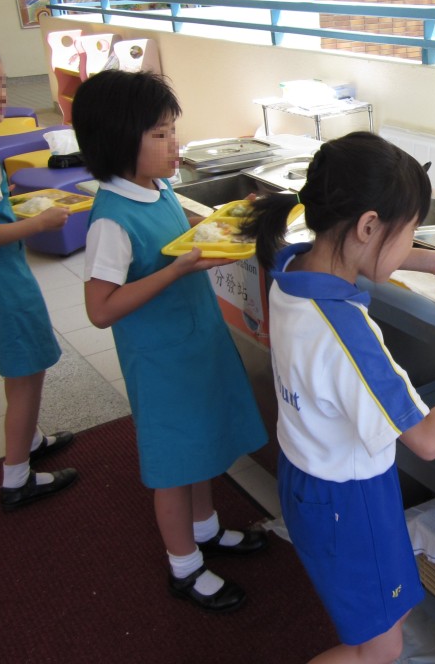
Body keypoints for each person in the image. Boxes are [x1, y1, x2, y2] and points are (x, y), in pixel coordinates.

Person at [240, 131, 435, 664]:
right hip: (350, 502)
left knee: (379, 626)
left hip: (306, 479)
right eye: (409, 231)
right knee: (382, 645)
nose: (412, 240)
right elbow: (430, 439)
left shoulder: (292, 267)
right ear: (369, 225)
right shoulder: (347, 335)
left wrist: (430, 260)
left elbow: (362, 254)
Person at [72, 70, 269, 614]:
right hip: (160, 362)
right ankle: (184, 567)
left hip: (195, 341)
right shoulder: (111, 221)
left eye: (171, 130)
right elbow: (100, 309)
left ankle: (205, 530)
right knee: (173, 465)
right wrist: (176, 270)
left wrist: (231, 224)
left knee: (204, 444)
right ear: (118, 141)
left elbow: (185, 232)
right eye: (159, 134)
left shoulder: (156, 188)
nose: (173, 144)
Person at [0, 38, 78, 512]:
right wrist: (38, 223)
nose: (3, 94)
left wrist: (10, 207)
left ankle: (30, 440)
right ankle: (17, 478)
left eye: (4, 84)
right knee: (27, 371)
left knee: (13, 364)